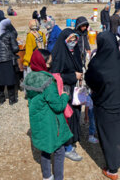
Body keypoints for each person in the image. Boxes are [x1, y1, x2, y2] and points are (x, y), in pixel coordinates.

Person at [85, 32, 120, 180]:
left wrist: (101, 92)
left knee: (109, 138)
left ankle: (113, 171)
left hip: (105, 108)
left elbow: (90, 81)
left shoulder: (96, 64)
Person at [24, 49, 72, 180]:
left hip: (38, 121)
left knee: (45, 148)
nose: (50, 63)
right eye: (49, 61)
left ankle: (47, 176)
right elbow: (58, 106)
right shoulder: (48, 82)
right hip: (50, 122)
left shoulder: (29, 78)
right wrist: (64, 96)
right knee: (59, 150)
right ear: (42, 62)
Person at [50, 29, 83, 162]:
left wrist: (80, 75)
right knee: (66, 119)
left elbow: (78, 67)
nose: (73, 43)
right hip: (63, 93)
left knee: (74, 115)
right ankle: (67, 148)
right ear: (64, 40)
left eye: (75, 40)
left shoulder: (74, 53)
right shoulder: (58, 54)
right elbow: (55, 76)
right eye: (70, 40)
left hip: (73, 90)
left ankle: (71, 142)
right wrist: (73, 76)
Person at [0, 19, 19, 105]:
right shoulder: (9, 34)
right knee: (10, 80)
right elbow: (15, 48)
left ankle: (1, 99)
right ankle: (12, 99)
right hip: (7, 59)